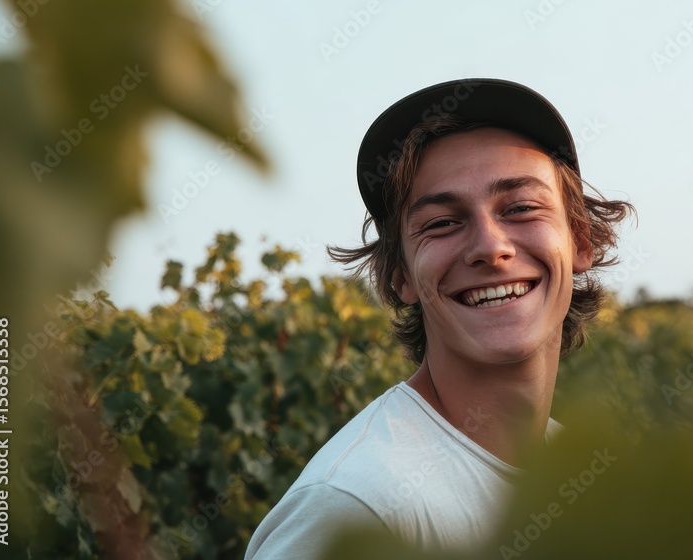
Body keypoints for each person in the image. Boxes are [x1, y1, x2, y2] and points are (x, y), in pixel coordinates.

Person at [244, 78, 634, 559]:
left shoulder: (576, 474)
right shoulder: (356, 504)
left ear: (579, 240)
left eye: (520, 208)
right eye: (443, 223)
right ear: (398, 275)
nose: (491, 247)